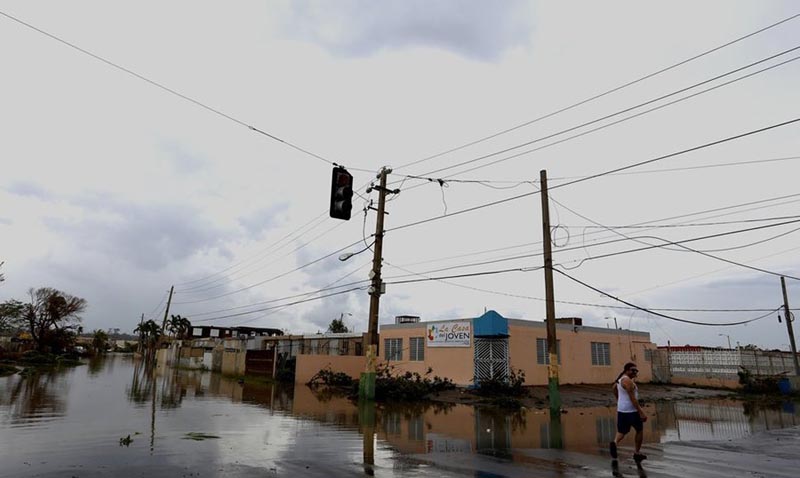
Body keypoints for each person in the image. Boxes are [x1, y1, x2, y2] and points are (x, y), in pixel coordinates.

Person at [609, 362, 647, 462]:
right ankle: (637, 453)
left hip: (622, 410)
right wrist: (641, 412)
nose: (635, 372)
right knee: (639, 430)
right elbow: (633, 399)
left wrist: (619, 400)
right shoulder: (627, 381)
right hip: (632, 411)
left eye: (636, 370)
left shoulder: (620, 380)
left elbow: (614, 388)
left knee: (622, 431)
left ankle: (614, 443)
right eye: (633, 370)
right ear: (626, 370)